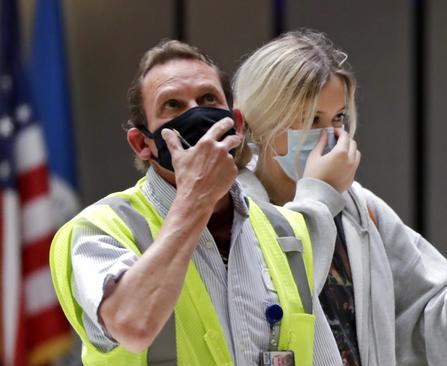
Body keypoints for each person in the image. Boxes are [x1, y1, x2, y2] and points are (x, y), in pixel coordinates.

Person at [49, 40, 361, 365]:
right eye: (173, 104)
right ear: (143, 143)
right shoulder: (98, 229)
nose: (197, 114)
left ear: (236, 124)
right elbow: (132, 325)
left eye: (208, 98)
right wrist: (194, 198)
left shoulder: (284, 230)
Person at [233, 29, 447, 365]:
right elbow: (281, 294)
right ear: (261, 121)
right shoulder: (233, 210)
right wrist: (320, 195)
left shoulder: (356, 206)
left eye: (338, 118)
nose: (331, 135)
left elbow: (426, 295)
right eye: (309, 119)